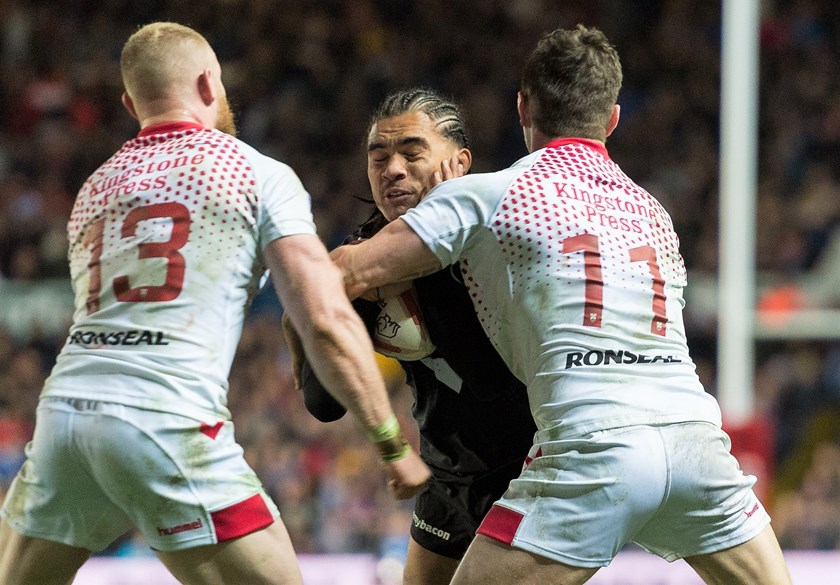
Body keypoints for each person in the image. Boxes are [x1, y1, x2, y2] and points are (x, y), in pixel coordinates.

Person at [328, 25, 793, 585]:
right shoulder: (654, 212)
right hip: (697, 444)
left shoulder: (488, 193)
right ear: (613, 119)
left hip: (591, 448)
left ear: (522, 106)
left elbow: (342, 274)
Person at [0, 22, 429, 585]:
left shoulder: (95, 189)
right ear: (210, 83)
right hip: (167, 417)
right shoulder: (255, 172)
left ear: (131, 103)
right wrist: (391, 442)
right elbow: (323, 317)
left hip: (66, 420)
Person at [296, 88, 536, 585]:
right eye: (379, 157)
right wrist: (359, 294)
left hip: (529, 471)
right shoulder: (362, 260)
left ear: (459, 162)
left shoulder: (500, 237)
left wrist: (432, 270)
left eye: (411, 152)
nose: (393, 169)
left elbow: (490, 379)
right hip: (446, 476)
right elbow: (324, 403)